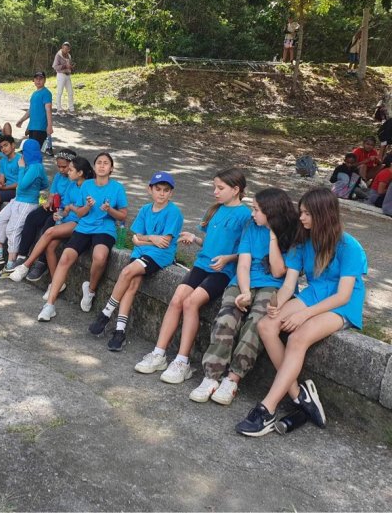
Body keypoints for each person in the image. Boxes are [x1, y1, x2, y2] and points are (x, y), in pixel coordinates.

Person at [236, 187, 367, 437]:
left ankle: (267, 409)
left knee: (297, 337)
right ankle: (299, 394)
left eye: (306, 213)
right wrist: (277, 304)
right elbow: (288, 285)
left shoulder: (349, 245)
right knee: (266, 325)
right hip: (314, 293)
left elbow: (343, 295)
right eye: (301, 212)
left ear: (323, 214)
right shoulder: (302, 241)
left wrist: (303, 315)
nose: (301, 217)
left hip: (342, 303)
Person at [134, 168, 251, 383]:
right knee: (176, 299)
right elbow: (211, 242)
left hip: (222, 271)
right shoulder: (215, 209)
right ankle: (159, 354)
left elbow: (247, 251)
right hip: (201, 265)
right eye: (214, 187)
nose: (215, 192)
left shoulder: (245, 215)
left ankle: (182, 361)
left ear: (236, 190)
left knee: (190, 303)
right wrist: (195, 238)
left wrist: (228, 258)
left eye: (220, 188)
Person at [190, 188, 299, 405]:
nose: (252, 213)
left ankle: (233, 378)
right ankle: (211, 376)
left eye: (257, 210)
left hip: (274, 286)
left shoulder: (293, 233)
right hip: (245, 280)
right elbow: (243, 264)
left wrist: (273, 235)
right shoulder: (251, 226)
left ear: (271, 213)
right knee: (226, 318)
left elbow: (278, 271)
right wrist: (245, 291)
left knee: (256, 322)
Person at [88, 171, 184, 352]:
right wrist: (151, 238)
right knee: (132, 285)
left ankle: (106, 313)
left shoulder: (173, 212)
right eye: (158, 189)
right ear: (150, 190)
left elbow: (164, 242)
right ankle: (120, 331)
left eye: (166, 190)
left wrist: (144, 240)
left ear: (171, 193)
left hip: (159, 255)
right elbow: (137, 236)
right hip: (141, 251)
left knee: (126, 272)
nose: (162, 193)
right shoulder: (146, 209)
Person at [37, 152, 128, 322]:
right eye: (99, 162)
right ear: (94, 167)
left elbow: (123, 215)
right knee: (65, 257)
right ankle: (49, 305)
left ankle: (90, 290)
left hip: (105, 228)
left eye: (106, 163)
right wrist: (87, 206)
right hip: (84, 227)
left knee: (100, 257)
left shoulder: (117, 188)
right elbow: (79, 213)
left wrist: (109, 210)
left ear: (111, 169)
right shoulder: (86, 185)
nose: (102, 166)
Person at [9, 156, 94, 289]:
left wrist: (70, 208)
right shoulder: (72, 184)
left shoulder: (89, 186)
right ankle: (56, 284)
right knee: (50, 247)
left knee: (49, 231)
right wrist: (60, 214)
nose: (68, 172)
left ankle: (26, 265)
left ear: (80, 173)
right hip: (67, 219)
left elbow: (81, 212)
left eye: (71, 169)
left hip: (80, 222)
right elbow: (65, 208)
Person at [0, 139, 49, 275]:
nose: (22, 155)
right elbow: (44, 184)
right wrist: (34, 184)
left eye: (24, 152)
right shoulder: (33, 165)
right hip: (17, 200)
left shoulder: (35, 166)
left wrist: (22, 168)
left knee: (12, 230)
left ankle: (11, 263)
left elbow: (22, 185)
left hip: (26, 203)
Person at [16, 71, 53, 150]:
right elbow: (31, 110)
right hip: (33, 128)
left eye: (41, 79)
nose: (38, 81)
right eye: (36, 79)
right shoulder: (34, 94)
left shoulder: (46, 93)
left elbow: (48, 109)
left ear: (45, 80)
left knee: (36, 150)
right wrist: (22, 120)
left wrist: (49, 126)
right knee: (31, 150)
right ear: (34, 80)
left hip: (41, 128)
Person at [53, 41, 75, 114]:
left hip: (68, 75)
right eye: (64, 48)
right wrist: (65, 66)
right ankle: (59, 109)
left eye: (67, 49)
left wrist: (71, 67)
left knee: (70, 92)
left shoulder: (69, 56)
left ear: (69, 49)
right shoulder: (58, 55)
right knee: (59, 92)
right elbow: (55, 66)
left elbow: (69, 65)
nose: (65, 50)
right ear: (62, 47)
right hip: (61, 75)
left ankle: (71, 109)